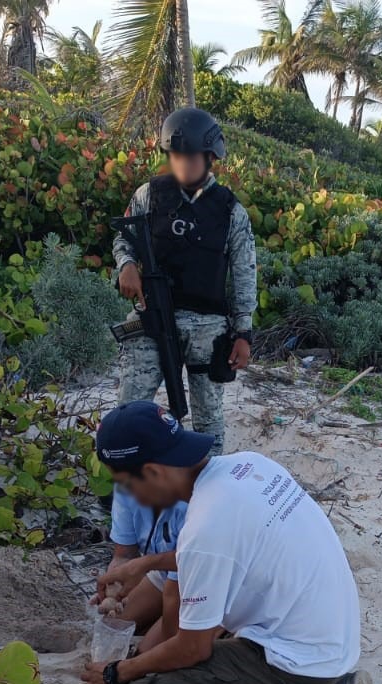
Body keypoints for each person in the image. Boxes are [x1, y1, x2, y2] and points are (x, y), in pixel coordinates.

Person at [78, 401, 374, 684]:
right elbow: (223, 553)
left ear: (152, 472)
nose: (130, 497)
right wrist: (147, 564)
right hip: (334, 645)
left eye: (127, 485)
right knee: (175, 665)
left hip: (293, 659)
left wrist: (116, 673)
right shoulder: (250, 467)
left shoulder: (205, 528)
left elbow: (192, 648)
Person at [113, 107, 256, 457]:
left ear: (209, 157)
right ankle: (124, 482)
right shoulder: (149, 195)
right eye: (176, 156)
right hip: (152, 317)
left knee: (207, 419)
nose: (182, 164)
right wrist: (126, 264)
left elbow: (243, 274)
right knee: (129, 408)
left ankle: (210, 485)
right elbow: (123, 238)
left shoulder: (230, 211)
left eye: (190, 157)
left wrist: (244, 333)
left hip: (208, 328)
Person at [90, 486, 187, 655]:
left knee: (148, 653)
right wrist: (114, 590)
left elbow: (190, 562)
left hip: (203, 580)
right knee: (111, 628)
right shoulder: (125, 487)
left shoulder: (187, 501)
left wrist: (145, 565)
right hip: (163, 572)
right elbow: (124, 555)